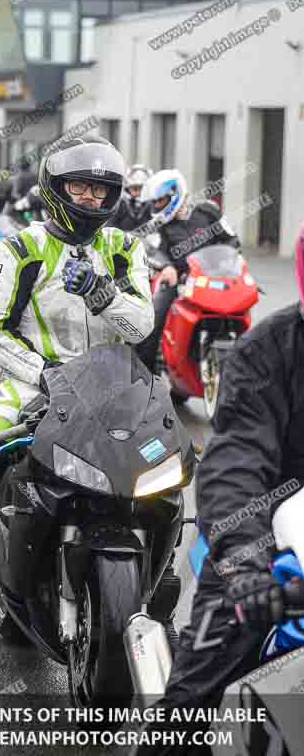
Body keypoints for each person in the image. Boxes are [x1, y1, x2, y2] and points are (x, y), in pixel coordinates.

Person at [0, 133, 162, 615]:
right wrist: (43, 371)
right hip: (31, 382)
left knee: (166, 471)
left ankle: (157, 573)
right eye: (80, 187)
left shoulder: (124, 249)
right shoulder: (19, 250)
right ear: (56, 188)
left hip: (115, 386)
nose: (92, 198)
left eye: (101, 190)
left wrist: (102, 294)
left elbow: (142, 326)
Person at [130, 223, 304, 756]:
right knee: (188, 705)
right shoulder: (268, 351)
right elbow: (236, 461)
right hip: (269, 543)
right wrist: (246, 569)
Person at [136, 169, 240, 373]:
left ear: (174, 194)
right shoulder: (160, 226)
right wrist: (166, 266)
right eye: (154, 203)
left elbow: (231, 238)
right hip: (181, 281)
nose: (156, 207)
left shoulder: (208, 210)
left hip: (215, 277)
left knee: (241, 307)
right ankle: (144, 378)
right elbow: (153, 249)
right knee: (151, 319)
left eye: (160, 201)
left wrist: (231, 258)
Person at [112, 164, 153, 233]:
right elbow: (111, 225)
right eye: (135, 189)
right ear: (128, 188)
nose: (138, 192)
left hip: (148, 242)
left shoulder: (152, 205)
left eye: (141, 189)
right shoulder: (120, 205)